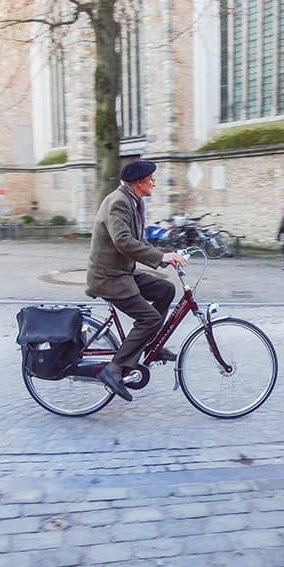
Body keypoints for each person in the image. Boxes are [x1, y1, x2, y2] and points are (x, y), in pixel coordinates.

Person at [86, 160, 187, 401]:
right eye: (151, 178)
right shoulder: (119, 202)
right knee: (150, 319)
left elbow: (136, 241)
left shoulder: (133, 200)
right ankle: (114, 369)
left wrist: (166, 255)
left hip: (122, 272)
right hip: (109, 277)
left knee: (165, 289)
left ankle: (151, 345)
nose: (154, 182)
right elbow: (123, 241)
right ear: (138, 182)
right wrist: (161, 256)